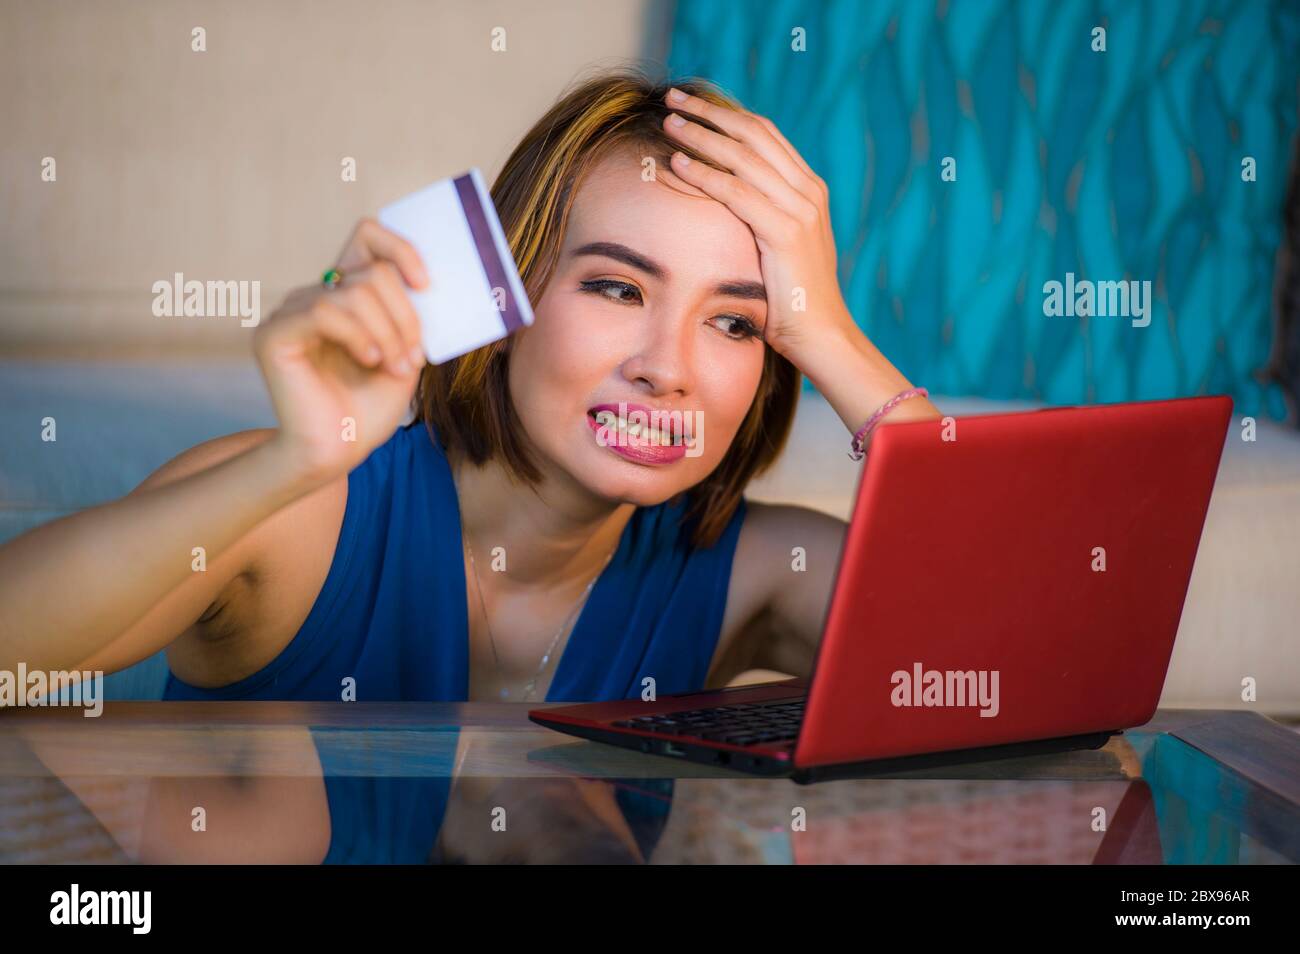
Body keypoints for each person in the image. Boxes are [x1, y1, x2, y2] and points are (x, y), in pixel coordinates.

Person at [0, 68, 942, 862]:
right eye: (617, 287)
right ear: (508, 296)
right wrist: (293, 460)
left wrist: (832, 337)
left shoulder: (749, 571)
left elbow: (1004, 677)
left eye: (734, 322)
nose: (669, 367)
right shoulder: (306, 517)